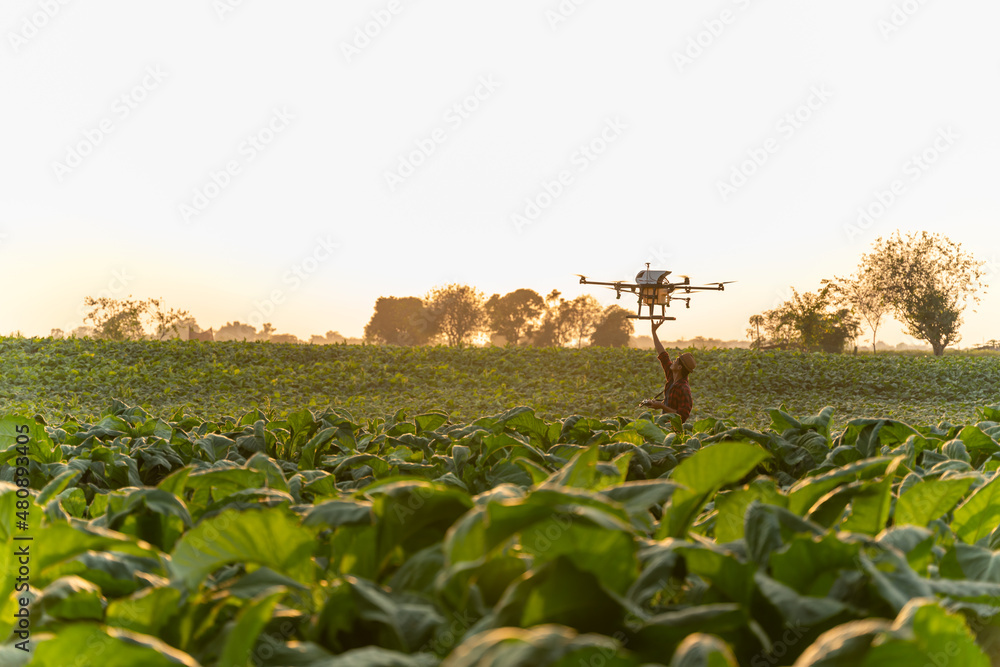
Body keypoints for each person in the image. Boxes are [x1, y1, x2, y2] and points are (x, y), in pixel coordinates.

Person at [642, 320, 695, 422]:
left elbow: (681, 416)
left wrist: (662, 406)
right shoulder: (672, 377)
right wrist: (654, 332)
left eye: (676, 361)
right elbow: (663, 355)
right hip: (664, 425)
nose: (673, 361)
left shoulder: (684, 388)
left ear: (679, 368)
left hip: (674, 430)